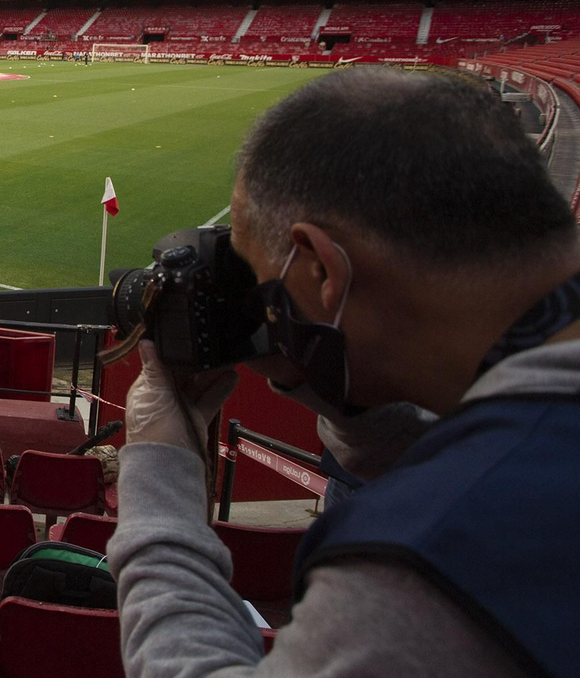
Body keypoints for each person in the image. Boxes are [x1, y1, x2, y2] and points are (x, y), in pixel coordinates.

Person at [108, 69, 577, 678]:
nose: (261, 311)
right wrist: (342, 398)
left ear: (324, 271)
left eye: (260, 282)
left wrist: (159, 475)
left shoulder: (422, 568)